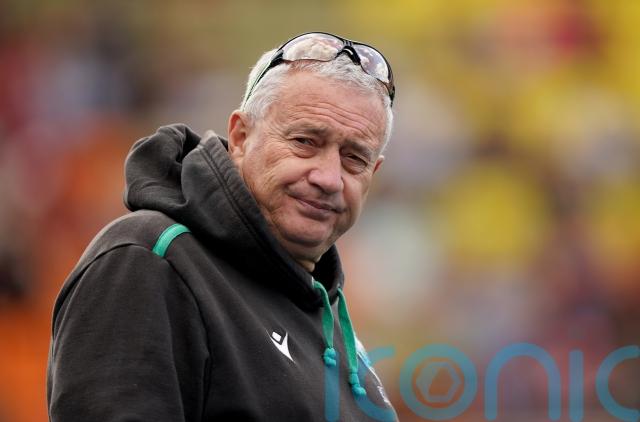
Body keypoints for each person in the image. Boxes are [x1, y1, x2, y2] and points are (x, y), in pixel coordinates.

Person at [47, 32, 397, 421]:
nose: (329, 178)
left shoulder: (327, 314)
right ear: (241, 137)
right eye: (305, 141)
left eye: (354, 159)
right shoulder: (149, 260)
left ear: (373, 173)